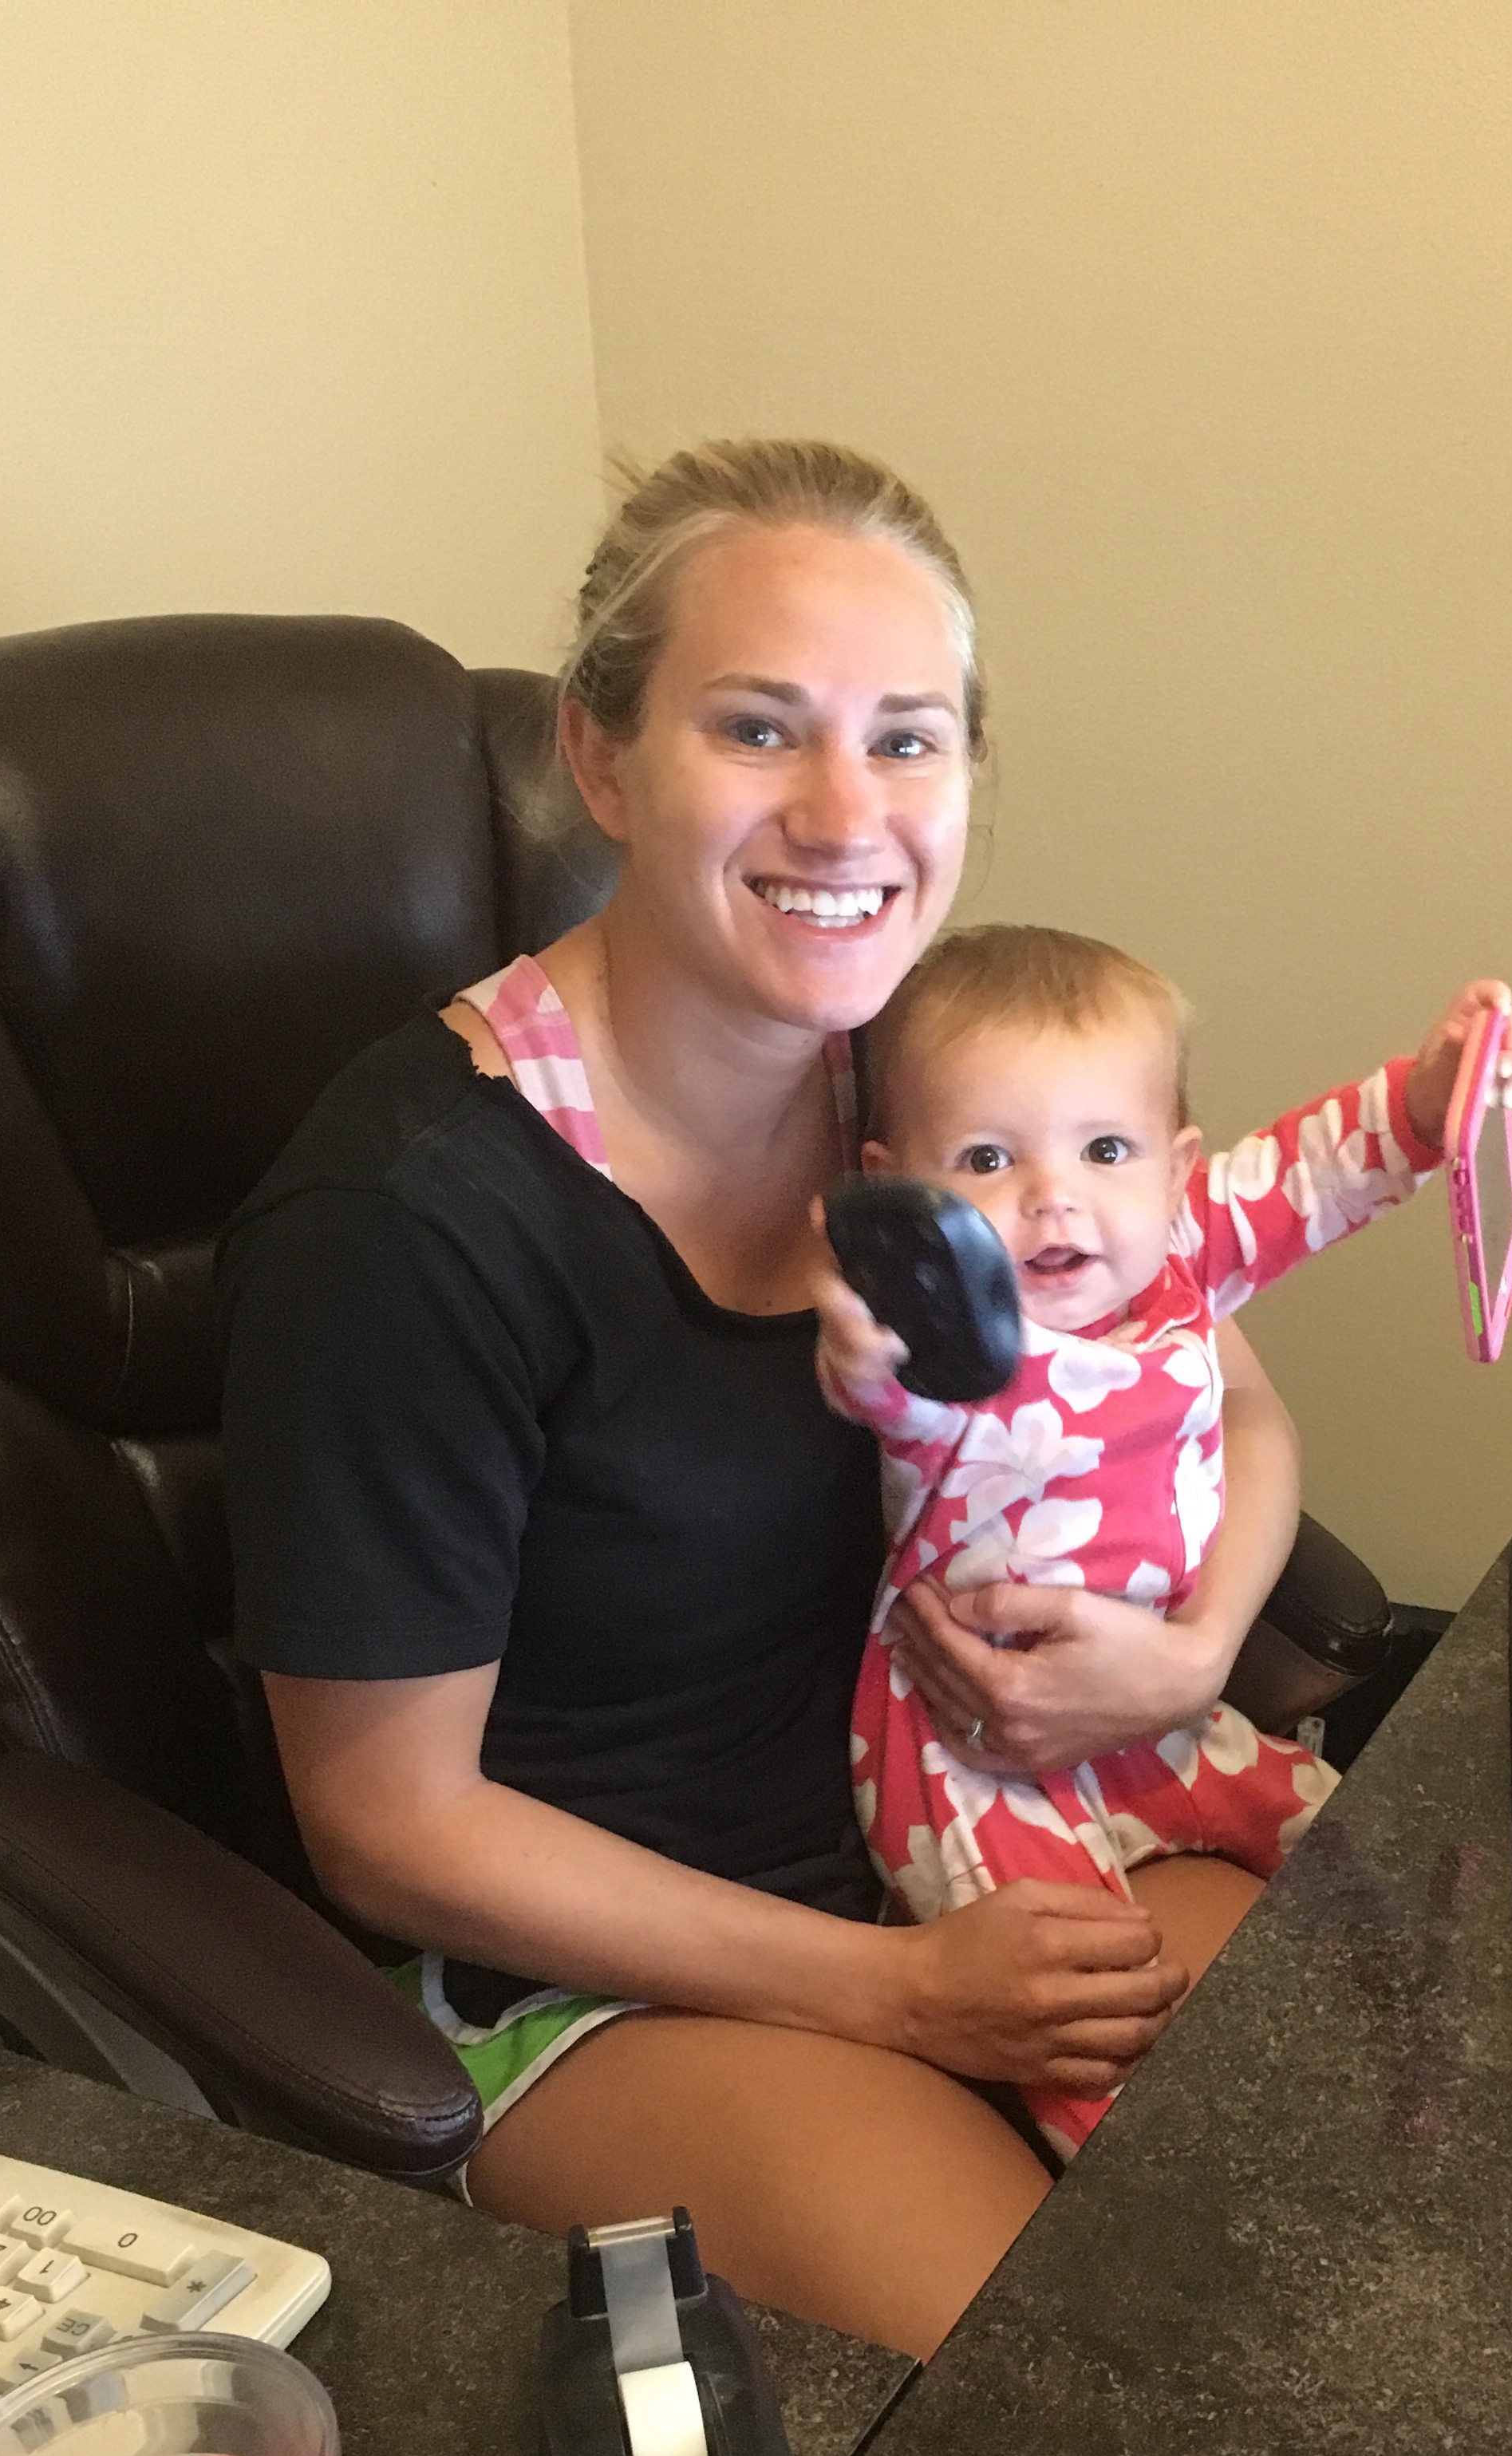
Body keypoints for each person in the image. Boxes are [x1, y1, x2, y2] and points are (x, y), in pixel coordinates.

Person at [218, 439, 1310, 2359]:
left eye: (908, 740)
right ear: (601, 757)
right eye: (757, 728)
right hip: (613, 1971)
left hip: (979, 1822)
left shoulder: (928, 1085)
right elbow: (391, 1826)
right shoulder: (409, 1219)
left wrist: (1194, 1644)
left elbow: (1229, 1386)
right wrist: (899, 1991)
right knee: (1075, 2385)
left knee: (1382, 2162)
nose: (845, 813)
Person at [811, 925, 1512, 2152]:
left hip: (1157, 1712)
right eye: (987, 1159)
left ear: (1175, 1169)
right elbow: (898, 1400)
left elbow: (1309, 1177)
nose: (1053, 1198)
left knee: (1355, 1838)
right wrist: (871, 1350)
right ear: (904, 1194)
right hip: (976, 1751)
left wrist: (1427, 1103)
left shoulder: (1178, 1262)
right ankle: (1133, 2201)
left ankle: (1450, 2057)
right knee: (1079, 2006)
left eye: (1106, 1150)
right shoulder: (963, 1347)